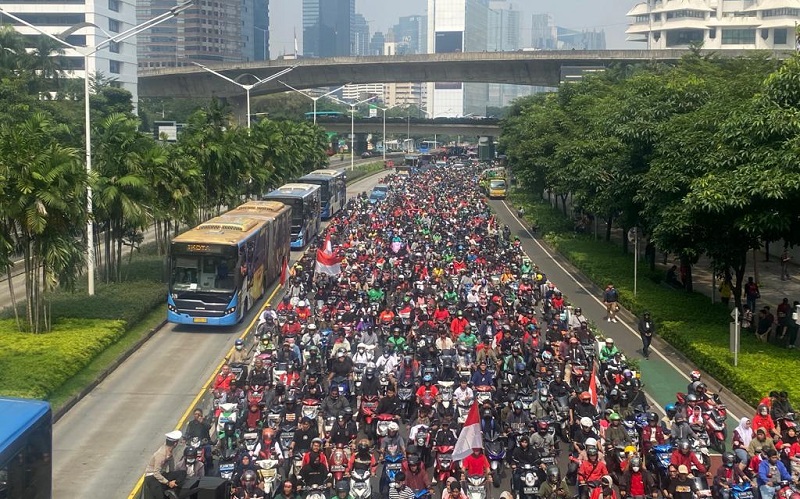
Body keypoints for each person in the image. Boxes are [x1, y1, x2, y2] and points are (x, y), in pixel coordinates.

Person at [144, 431, 185, 499]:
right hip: (152, 477)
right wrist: (168, 482)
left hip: (162, 474)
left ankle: (173, 486)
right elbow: (156, 473)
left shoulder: (169, 450)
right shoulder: (161, 455)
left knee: (182, 473)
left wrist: (173, 478)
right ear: (175, 443)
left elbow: (172, 468)